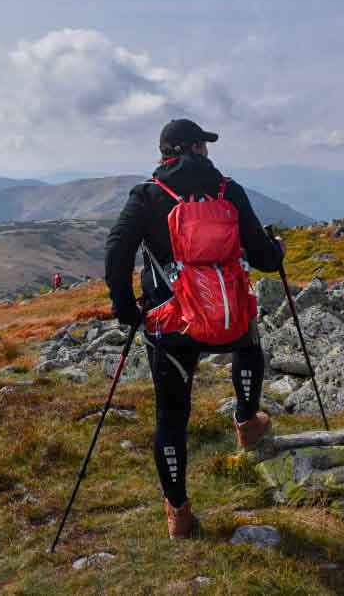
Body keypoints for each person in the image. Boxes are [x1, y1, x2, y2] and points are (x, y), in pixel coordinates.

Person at [104, 118, 285, 540]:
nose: (208, 149)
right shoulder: (228, 191)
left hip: (171, 325)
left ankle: (179, 513)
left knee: (171, 417)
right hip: (227, 317)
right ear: (191, 148)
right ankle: (246, 421)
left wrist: (128, 310)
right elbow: (261, 257)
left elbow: (116, 252)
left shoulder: (148, 196)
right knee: (249, 341)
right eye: (203, 143)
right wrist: (277, 251)